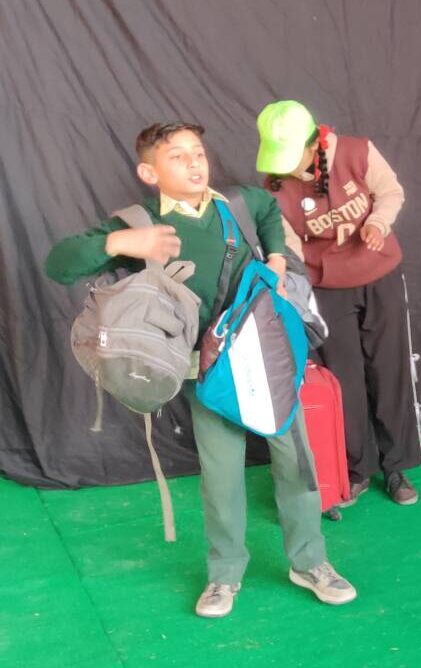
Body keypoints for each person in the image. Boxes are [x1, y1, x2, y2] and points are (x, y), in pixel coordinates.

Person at [44, 122, 356, 618]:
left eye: (198, 152)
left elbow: (268, 208)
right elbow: (59, 265)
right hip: (205, 372)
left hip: (268, 359)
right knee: (222, 476)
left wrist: (277, 257)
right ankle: (225, 573)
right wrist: (121, 242)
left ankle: (309, 562)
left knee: (296, 462)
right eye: (177, 156)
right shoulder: (139, 223)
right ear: (149, 172)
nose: (194, 163)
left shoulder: (238, 204)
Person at [255, 101, 421, 507]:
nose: (285, 168)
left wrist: (377, 223)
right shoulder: (275, 187)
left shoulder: (356, 151)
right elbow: (287, 244)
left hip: (379, 274)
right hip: (326, 285)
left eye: (292, 156)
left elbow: (391, 192)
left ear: (315, 143)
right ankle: (356, 468)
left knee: (389, 369)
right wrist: (289, 281)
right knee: (343, 377)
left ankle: (395, 465)